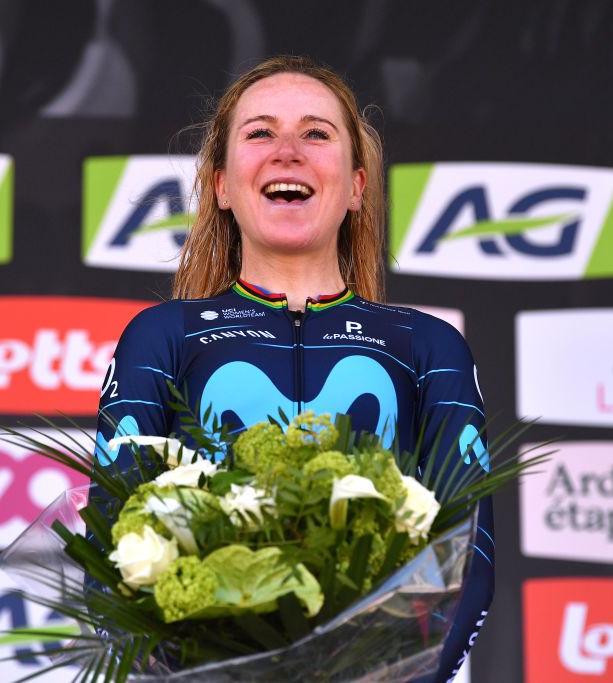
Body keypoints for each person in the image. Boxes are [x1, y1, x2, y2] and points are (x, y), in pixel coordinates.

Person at [93, 55, 492, 682]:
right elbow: (110, 542)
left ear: (358, 185)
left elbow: (469, 560)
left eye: (315, 133)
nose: (287, 152)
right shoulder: (162, 336)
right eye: (259, 133)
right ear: (221, 186)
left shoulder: (429, 347)